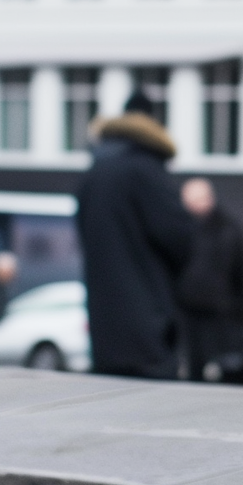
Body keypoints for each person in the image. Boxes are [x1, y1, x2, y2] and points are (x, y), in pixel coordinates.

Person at [76, 90, 193, 378]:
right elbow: (179, 235)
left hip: (105, 328)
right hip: (148, 327)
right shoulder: (145, 169)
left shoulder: (94, 171)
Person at [176, 177, 243, 384]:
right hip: (188, 316)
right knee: (193, 374)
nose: (198, 204)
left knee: (230, 374)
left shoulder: (228, 229)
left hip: (223, 315)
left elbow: (242, 275)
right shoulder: (178, 229)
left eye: (201, 198)